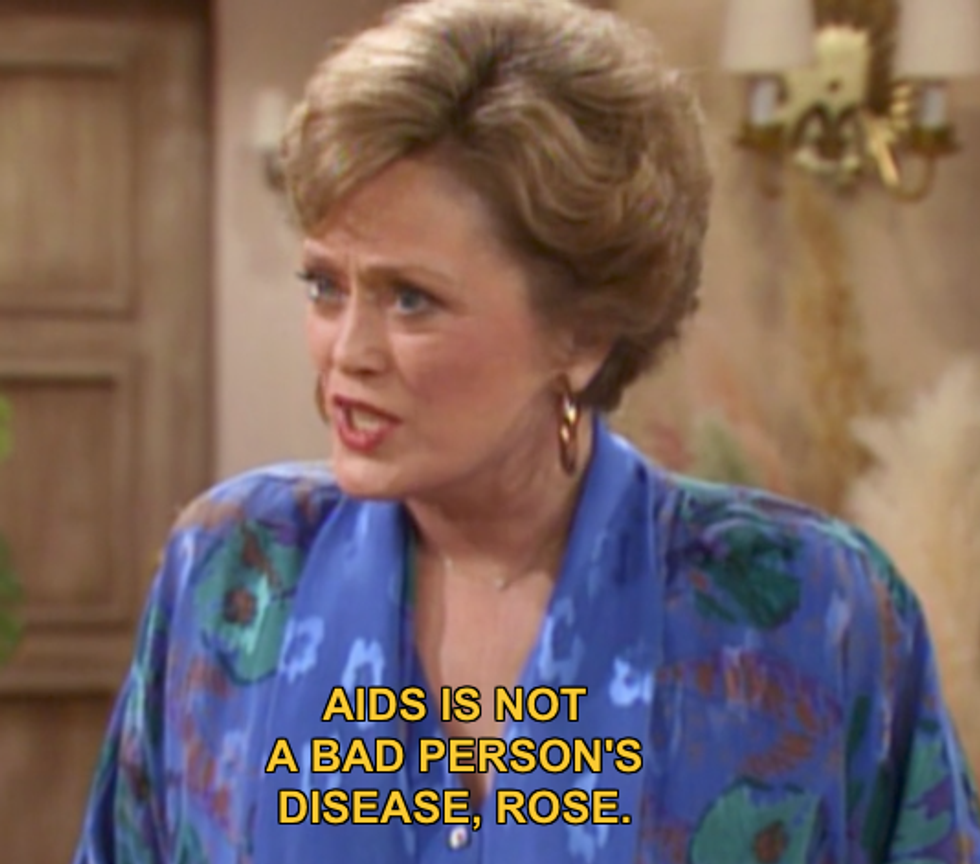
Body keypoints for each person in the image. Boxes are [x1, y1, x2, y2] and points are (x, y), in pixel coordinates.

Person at [71, 0, 980, 861]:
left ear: (581, 337)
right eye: (325, 286)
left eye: (410, 299)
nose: (347, 352)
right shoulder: (237, 569)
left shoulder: (806, 605)